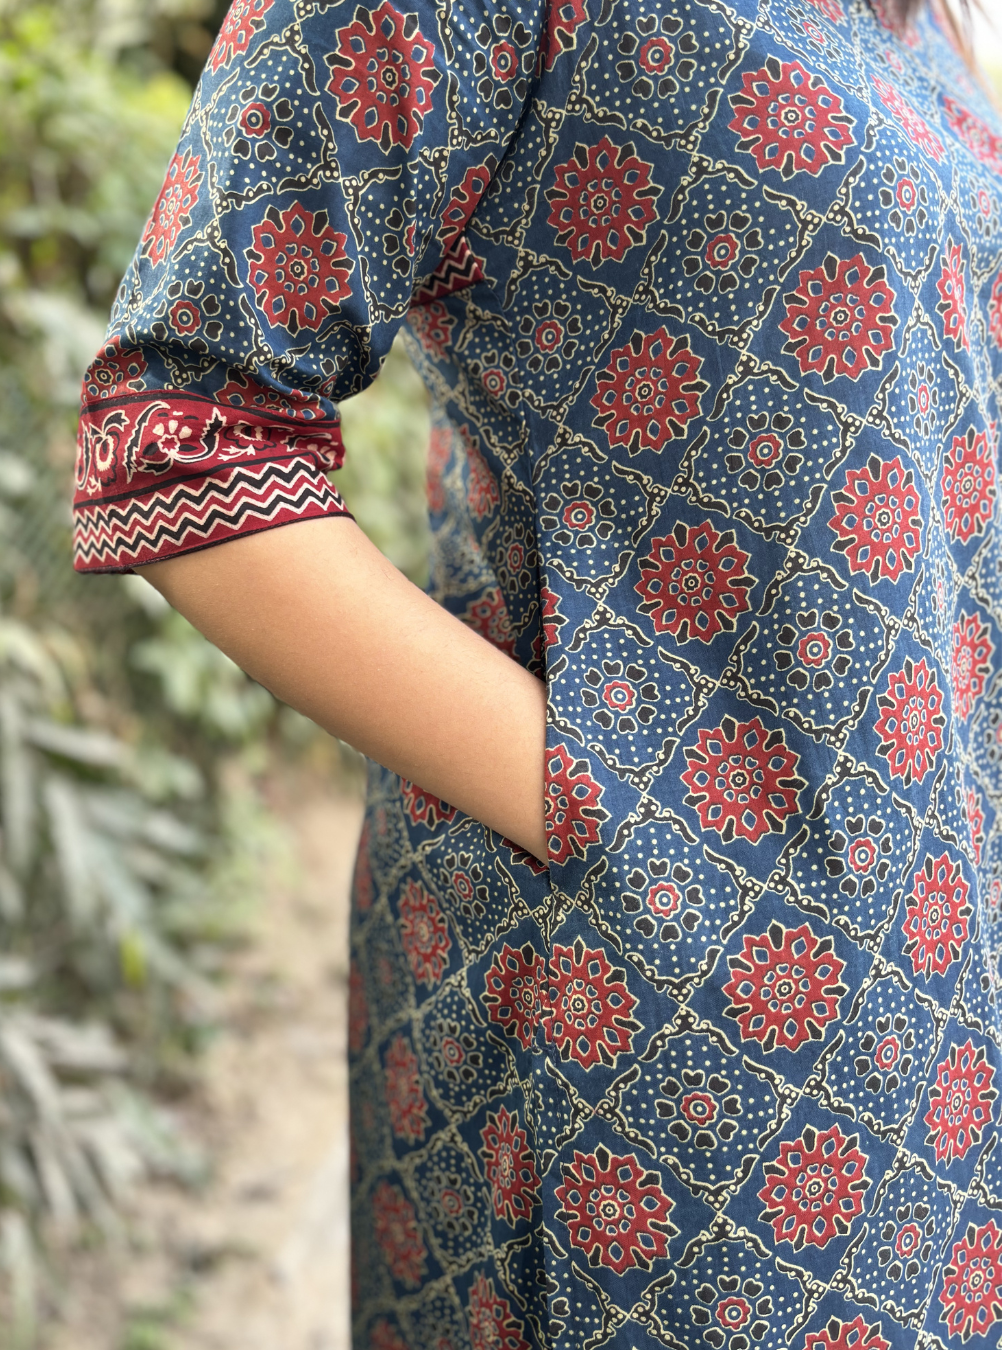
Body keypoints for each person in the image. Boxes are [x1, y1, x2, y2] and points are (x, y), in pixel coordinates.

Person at [73, 0, 1002, 1341]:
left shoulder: (920, 29)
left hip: (927, 996)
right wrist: (618, 814)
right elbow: (180, 429)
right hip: (653, 1030)